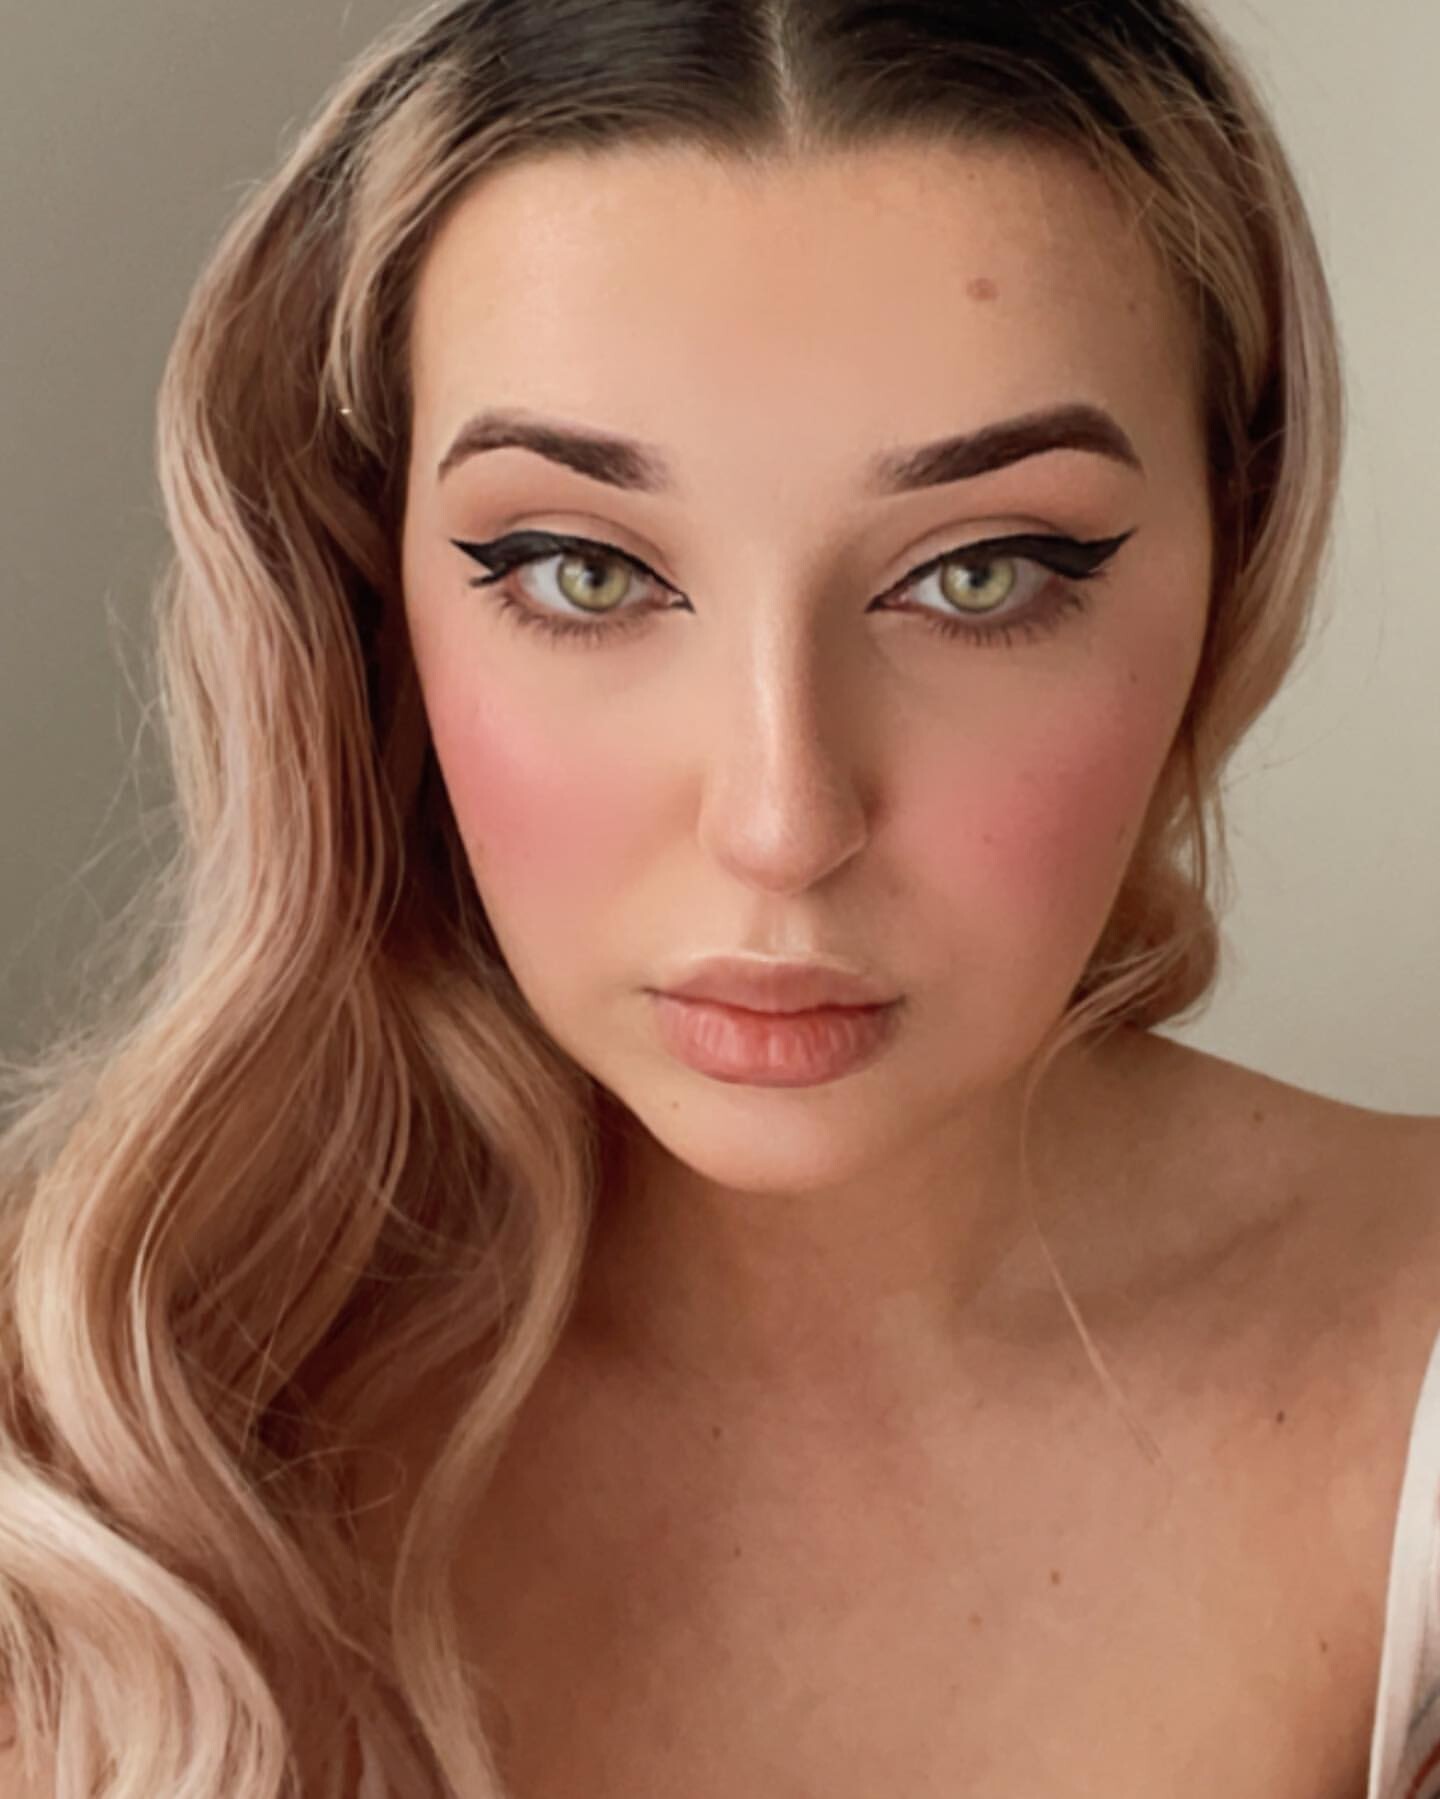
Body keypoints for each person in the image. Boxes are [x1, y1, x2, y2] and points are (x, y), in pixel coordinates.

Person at [0, 0, 1436, 1794]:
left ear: (1236, 554)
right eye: (582, 569)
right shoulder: (82, 1462)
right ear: (370, 595)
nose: (782, 820)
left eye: (980, 574)